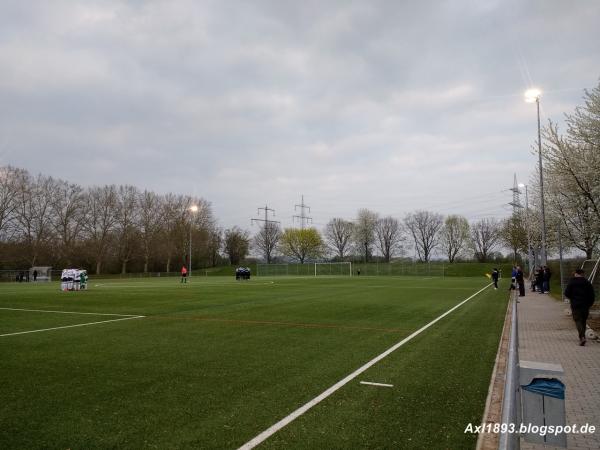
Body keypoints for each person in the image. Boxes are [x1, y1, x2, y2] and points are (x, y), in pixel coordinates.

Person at [564, 269, 595, 346]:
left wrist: (572, 298)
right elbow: (592, 295)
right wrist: (590, 304)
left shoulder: (572, 282)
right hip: (585, 305)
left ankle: (582, 337)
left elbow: (566, 293)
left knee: (578, 320)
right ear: (582, 274)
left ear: (576, 274)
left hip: (575, 304)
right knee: (583, 320)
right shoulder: (587, 283)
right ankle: (582, 336)